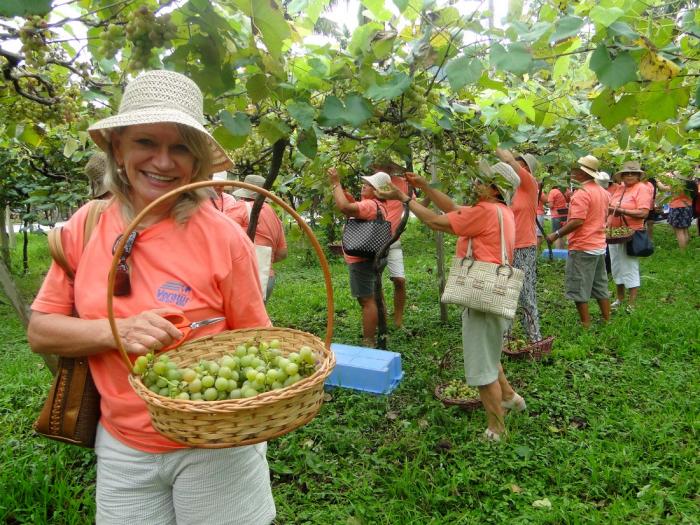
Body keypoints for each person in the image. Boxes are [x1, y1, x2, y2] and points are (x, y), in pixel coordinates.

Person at [27, 70, 276, 525]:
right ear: (118, 149)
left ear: (197, 162)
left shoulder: (222, 238)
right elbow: (41, 331)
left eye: (180, 147)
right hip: (122, 445)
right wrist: (116, 331)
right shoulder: (86, 226)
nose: (162, 162)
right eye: (146, 142)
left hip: (214, 447)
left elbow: (258, 342)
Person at [377, 162, 525, 442]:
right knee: (488, 350)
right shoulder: (501, 211)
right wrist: (424, 187)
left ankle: (497, 430)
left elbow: (436, 222)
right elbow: (455, 210)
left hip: (482, 298)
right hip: (495, 293)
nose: (475, 184)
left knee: (481, 366)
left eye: (481, 181)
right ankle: (510, 397)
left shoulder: (484, 211)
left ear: (494, 189)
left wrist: (406, 199)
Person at [329, 167, 391, 347]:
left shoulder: (370, 205)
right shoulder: (380, 206)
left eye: (368, 185)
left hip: (361, 261)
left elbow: (344, 207)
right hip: (374, 257)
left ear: (378, 191)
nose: (363, 186)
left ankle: (369, 340)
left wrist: (335, 184)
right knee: (376, 296)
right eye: (364, 184)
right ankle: (382, 331)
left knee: (366, 300)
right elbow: (353, 208)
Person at [546, 156, 611, 327]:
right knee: (600, 285)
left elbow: (578, 221)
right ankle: (606, 320)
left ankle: (586, 326)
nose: (571, 173)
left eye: (574, 170)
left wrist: (556, 234)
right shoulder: (603, 192)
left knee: (578, 287)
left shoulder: (582, 193)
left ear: (581, 172)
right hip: (598, 245)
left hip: (583, 246)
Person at [495, 149, 542, 344]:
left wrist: (492, 143)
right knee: (504, 293)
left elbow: (506, 159)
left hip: (523, 247)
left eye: (519, 164)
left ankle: (534, 339)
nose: (514, 166)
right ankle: (506, 340)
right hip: (503, 248)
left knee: (526, 295)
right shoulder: (506, 191)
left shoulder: (530, 185)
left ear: (526, 169)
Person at [227, 174, 288, 301]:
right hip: (267, 278)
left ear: (243, 193)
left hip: (246, 278)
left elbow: (220, 242)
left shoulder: (239, 208)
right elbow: (282, 253)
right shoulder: (272, 213)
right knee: (259, 320)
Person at [608, 160, 653, 311]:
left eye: (633, 173)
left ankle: (632, 304)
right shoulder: (620, 189)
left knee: (629, 266)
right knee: (616, 266)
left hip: (630, 232)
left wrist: (622, 211)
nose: (629, 175)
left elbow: (643, 212)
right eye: (626, 173)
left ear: (638, 175)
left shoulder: (642, 189)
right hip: (614, 233)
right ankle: (619, 298)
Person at [370, 159, 409, 328]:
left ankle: (398, 319)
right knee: (375, 280)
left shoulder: (402, 184)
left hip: (394, 241)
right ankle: (382, 314)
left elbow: (413, 203)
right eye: (379, 165)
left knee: (399, 280)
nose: (382, 168)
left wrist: (429, 193)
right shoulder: (372, 183)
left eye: (386, 166)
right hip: (375, 241)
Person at [664, 172, 694, 250]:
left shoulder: (676, 185)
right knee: (685, 229)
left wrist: (657, 181)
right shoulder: (690, 184)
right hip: (688, 206)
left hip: (677, 207)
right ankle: (685, 247)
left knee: (679, 231)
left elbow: (663, 188)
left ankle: (683, 251)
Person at [547, 184, 569, 249]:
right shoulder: (566, 190)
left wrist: (547, 204)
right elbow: (568, 201)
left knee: (557, 234)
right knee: (563, 233)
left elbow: (551, 205)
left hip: (556, 215)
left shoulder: (553, 191)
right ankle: (563, 250)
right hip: (565, 215)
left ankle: (559, 253)